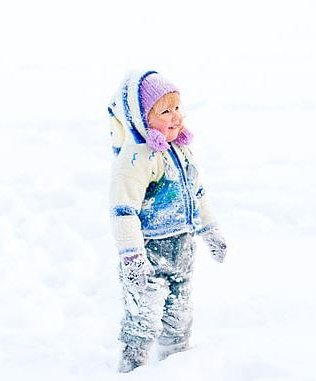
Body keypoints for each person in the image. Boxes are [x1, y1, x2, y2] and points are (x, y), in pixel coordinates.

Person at [107, 70, 227, 373]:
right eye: (165, 110)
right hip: (149, 254)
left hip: (182, 251)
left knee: (180, 317)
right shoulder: (136, 158)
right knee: (143, 318)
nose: (176, 116)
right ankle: (131, 368)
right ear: (142, 118)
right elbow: (124, 211)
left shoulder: (180, 150)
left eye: (177, 107)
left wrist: (210, 230)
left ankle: (176, 368)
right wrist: (132, 257)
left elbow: (197, 193)